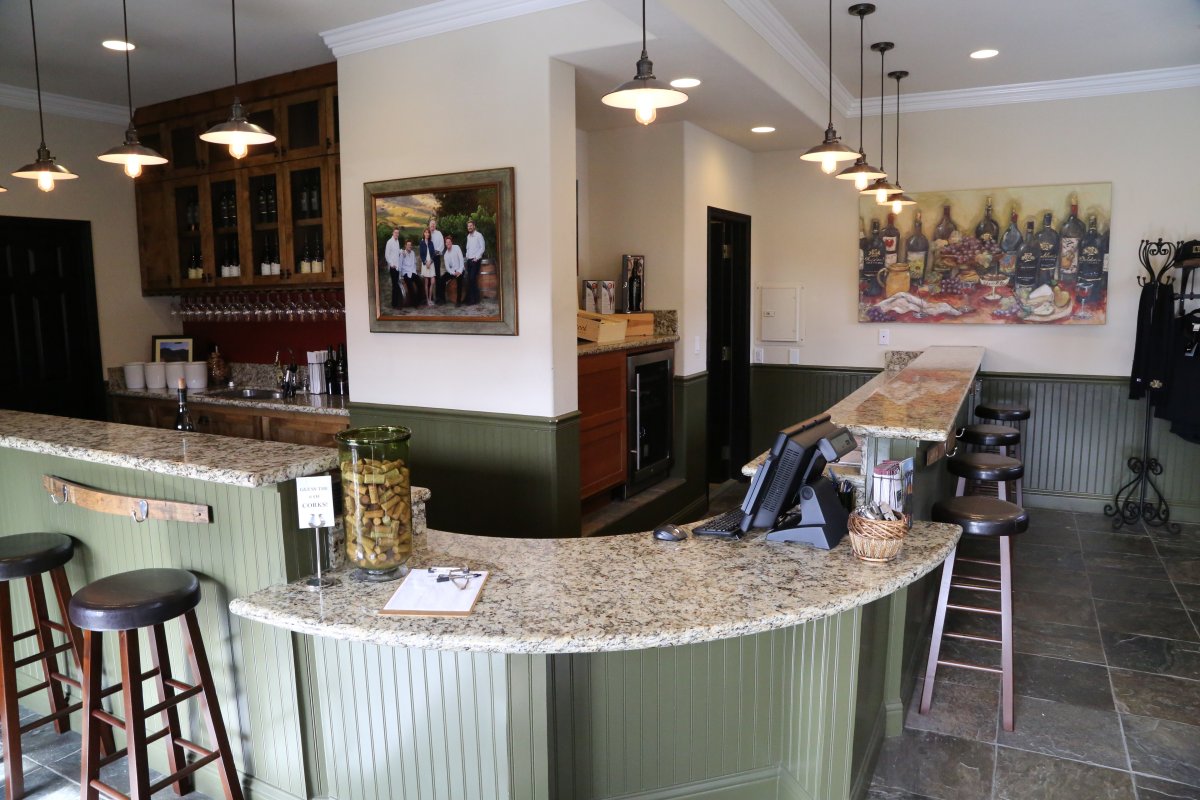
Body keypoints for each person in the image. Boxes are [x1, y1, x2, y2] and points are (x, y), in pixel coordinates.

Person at [464, 219, 486, 306]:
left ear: (474, 226)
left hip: (475, 260)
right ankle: (474, 299)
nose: (469, 227)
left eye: (471, 226)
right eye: (468, 226)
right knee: (470, 279)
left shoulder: (479, 235)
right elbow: (467, 248)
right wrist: (467, 256)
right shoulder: (468, 236)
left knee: (472, 279)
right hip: (469, 260)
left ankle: (473, 300)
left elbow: (482, 248)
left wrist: (476, 258)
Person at [383, 228, 403, 308]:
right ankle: (395, 304)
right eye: (395, 233)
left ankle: (395, 303)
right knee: (395, 285)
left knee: (396, 284)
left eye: (398, 233)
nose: (396, 234)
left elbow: (397, 252)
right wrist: (391, 264)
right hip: (392, 267)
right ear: (393, 233)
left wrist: (402, 251)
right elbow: (386, 255)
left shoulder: (397, 241)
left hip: (397, 266)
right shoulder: (389, 242)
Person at [443, 234, 465, 306]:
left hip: (460, 269)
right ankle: (443, 299)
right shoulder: (445, 255)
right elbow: (447, 268)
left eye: (449, 242)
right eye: (447, 242)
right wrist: (453, 273)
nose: (448, 243)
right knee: (442, 279)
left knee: (459, 282)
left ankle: (458, 301)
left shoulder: (457, 247)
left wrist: (459, 271)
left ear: (451, 242)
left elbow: (461, 260)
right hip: (452, 272)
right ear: (445, 244)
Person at [428, 218, 446, 304]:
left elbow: (442, 244)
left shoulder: (439, 233)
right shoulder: (427, 233)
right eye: (431, 224)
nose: (433, 225)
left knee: (437, 277)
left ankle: (438, 298)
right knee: (429, 276)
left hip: (436, 257)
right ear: (429, 225)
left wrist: (437, 251)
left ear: (435, 225)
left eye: (434, 224)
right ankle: (430, 298)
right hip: (428, 258)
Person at [399, 239, 421, 307]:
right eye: (408, 245)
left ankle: (419, 300)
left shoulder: (413, 253)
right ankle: (415, 303)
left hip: (412, 272)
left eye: (410, 245)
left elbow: (414, 263)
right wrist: (400, 276)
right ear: (405, 246)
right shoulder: (402, 253)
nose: (409, 246)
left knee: (420, 283)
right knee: (410, 286)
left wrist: (415, 272)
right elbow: (400, 265)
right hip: (406, 273)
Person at [418, 228, 437, 307]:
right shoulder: (421, 243)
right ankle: (427, 300)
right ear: (424, 234)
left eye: (428, 233)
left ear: (429, 234)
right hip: (425, 264)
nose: (427, 234)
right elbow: (421, 254)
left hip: (431, 263)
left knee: (432, 282)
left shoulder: (431, 242)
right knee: (426, 282)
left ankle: (430, 298)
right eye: (426, 232)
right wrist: (426, 262)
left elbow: (433, 254)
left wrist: (430, 261)